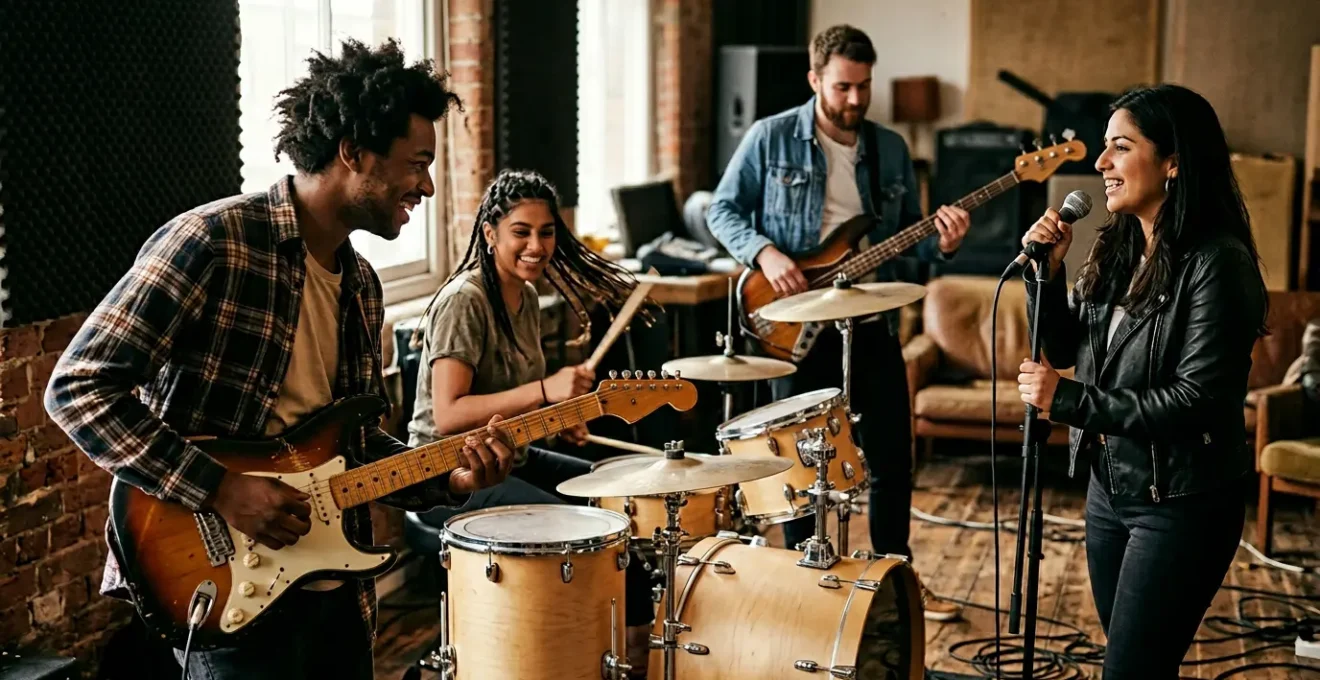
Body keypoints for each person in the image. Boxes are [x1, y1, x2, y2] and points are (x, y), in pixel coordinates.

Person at [44, 39, 513, 680]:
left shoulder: (361, 284)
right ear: (353, 152)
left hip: (335, 595)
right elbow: (78, 387)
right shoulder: (213, 243)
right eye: (417, 163)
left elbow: (353, 445)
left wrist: (451, 480)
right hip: (224, 590)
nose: (427, 186)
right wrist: (221, 489)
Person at [705, 23, 969, 621]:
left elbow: (911, 244)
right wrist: (765, 254)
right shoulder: (770, 138)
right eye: (844, 87)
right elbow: (720, 208)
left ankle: (897, 576)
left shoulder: (890, 149)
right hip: (793, 325)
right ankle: (807, 584)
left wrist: (945, 241)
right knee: (795, 462)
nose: (855, 100)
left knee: (892, 456)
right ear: (815, 79)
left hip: (871, 322)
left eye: (864, 87)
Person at [1016, 84, 1268, 678]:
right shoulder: (1121, 246)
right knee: (1139, 666)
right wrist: (1046, 279)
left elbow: (1197, 400)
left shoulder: (1217, 263)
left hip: (1181, 503)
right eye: (1104, 148)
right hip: (1111, 489)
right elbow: (1063, 348)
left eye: (1120, 148)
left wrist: (1069, 401)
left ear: (1174, 160)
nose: (1100, 164)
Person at [405, 168, 656, 672]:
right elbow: (450, 414)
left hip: (509, 455)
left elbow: (508, 403)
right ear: (491, 232)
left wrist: (557, 417)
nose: (536, 245)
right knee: (596, 531)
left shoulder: (525, 296)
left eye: (547, 232)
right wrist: (546, 390)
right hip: (446, 472)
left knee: (612, 495)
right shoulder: (465, 300)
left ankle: (619, 655)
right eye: (522, 231)